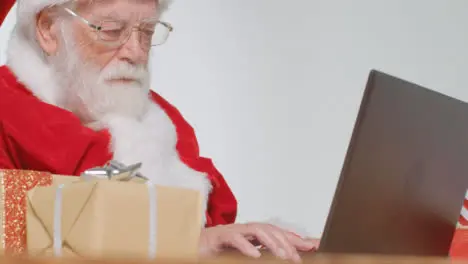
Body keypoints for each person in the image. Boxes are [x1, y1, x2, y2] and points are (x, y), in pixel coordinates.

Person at [0, 0, 319, 262]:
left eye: (147, 32)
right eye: (112, 31)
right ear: (47, 29)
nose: (136, 52)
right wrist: (184, 247)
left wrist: (261, 248)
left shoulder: (163, 123)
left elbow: (211, 232)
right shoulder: (6, 112)